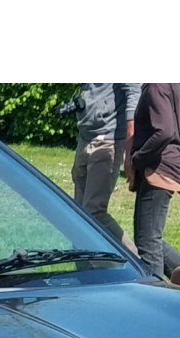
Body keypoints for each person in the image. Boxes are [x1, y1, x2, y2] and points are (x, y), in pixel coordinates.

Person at [69, 83, 141, 251]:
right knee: (77, 213)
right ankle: (84, 273)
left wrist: (129, 149)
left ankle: (136, 261)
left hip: (108, 140)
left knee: (94, 212)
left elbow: (134, 91)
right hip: (85, 138)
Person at [127, 82, 180, 281]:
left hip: (158, 168)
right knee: (151, 237)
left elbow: (165, 131)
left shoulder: (155, 85)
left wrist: (137, 158)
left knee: (147, 242)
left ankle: (155, 296)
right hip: (166, 166)